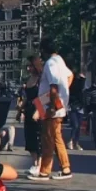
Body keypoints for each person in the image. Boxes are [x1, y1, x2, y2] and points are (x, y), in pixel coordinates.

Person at [30, 38, 74, 181]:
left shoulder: (50, 64)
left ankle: (45, 171)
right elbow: (70, 76)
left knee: (48, 139)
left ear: (43, 50)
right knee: (56, 138)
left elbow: (53, 86)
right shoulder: (60, 61)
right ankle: (65, 168)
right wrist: (64, 93)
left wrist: (52, 105)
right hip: (56, 104)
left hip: (51, 106)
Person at [17, 56, 43, 174]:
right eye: (28, 66)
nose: (28, 68)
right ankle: (34, 163)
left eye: (31, 66)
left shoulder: (41, 79)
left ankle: (39, 165)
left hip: (39, 108)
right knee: (30, 137)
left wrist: (38, 110)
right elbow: (26, 98)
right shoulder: (28, 79)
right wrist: (20, 111)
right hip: (29, 109)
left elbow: (44, 96)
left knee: (38, 137)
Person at [67, 72, 86, 150]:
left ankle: (76, 143)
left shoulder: (83, 88)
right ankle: (71, 140)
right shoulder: (72, 85)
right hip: (72, 106)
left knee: (78, 126)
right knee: (75, 125)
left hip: (80, 106)